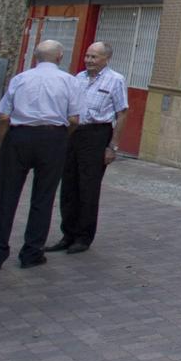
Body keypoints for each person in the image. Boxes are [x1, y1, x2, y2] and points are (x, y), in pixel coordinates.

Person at [0, 40, 79, 270]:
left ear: (36, 58)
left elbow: (4, 117)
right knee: (43, 197)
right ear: (59, 58)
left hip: (19, 137)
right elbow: (74, 119)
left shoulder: (21, 79)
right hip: (53, 138)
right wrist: (61, 136)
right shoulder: (69, 81)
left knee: (4, 196)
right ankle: (32, 252)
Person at [52, 40, 128, 253]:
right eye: (87, 56)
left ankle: (83, 237)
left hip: (97, 134)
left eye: (94, 57)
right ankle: (67, 233)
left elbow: (121, 113)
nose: (89, 60)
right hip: (75, 132)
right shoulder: (78, 78)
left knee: (88, 187)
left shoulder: (116, 80)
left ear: (106, 58)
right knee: (69, 185)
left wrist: (112, 146)